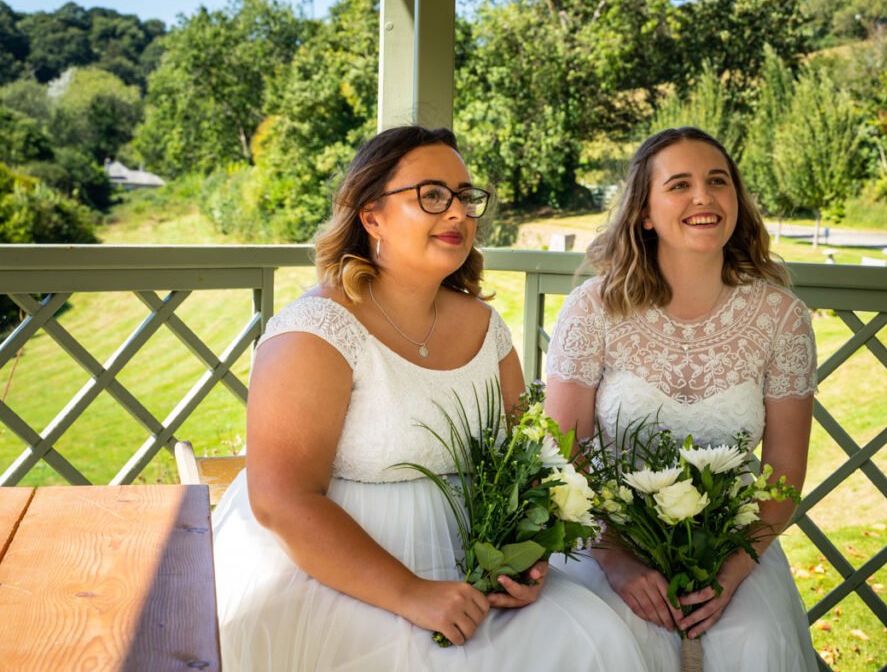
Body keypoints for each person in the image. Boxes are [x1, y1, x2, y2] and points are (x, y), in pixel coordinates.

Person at [211, 125, 647, 671]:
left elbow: (528, 468)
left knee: (596, 641)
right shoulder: (316, 330)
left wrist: (527, 562)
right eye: (433, 196)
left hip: (473, 565)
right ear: (372, 216)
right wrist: (413, 593)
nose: (459, 213)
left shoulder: (487, 330)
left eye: (466, 197)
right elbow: (282, 499)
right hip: (341, 572)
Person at [544, 127, 819, 671]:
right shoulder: (594, 310)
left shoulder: (781, 318)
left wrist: (730, 572)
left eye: (718, 182)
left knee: (754, 646)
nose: (704, 197)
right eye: (680, 185)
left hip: (737, 550)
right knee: (609, 646)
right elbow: (561, 459)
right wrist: (616, 560)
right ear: (644, 213)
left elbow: (784, 472)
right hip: (608, 544)